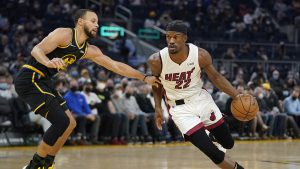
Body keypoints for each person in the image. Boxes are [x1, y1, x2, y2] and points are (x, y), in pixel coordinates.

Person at [14, 9, 160, 169]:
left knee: (70, 123)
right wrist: (48, 62)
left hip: (44, 81)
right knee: (61, 121)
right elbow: (36, 50)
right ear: (80, 21)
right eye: (93, 21)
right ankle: (34, 166)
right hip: (30, 77)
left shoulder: (89, 50)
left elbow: (116, 66)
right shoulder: (64, 34)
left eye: (97, 22)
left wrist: (144, 77)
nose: (97, 25)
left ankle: (47, 162)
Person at [148, 20, 244, 169]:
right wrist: (158, 109)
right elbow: (156, 85)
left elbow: (216, 77)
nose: (171, 41)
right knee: (213, 153)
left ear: (185, 38)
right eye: (168, 37)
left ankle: (211, 130)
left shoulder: (200, 55)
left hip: (201, 100)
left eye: (176, 37)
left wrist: (237, 96)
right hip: (180, 109)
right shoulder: (156, 60)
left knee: (228, 143)